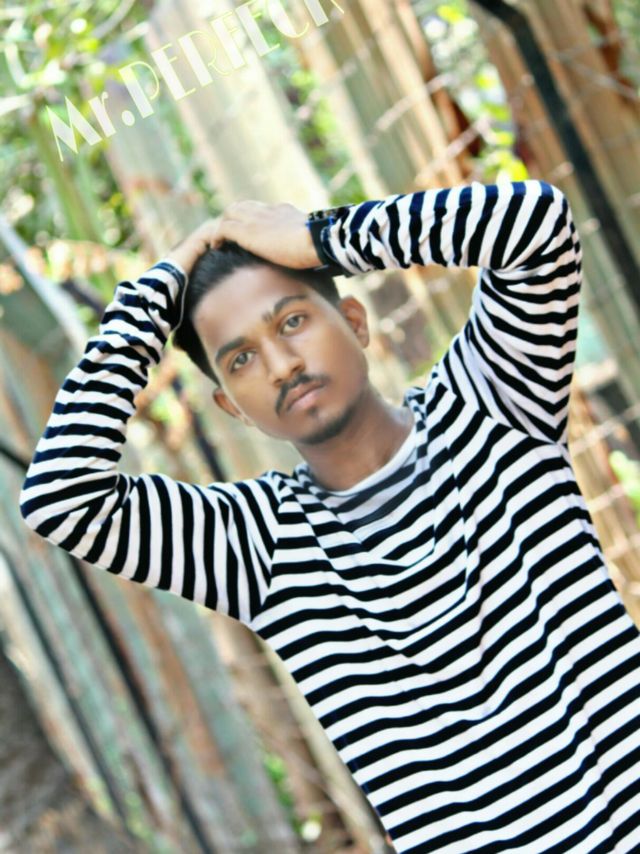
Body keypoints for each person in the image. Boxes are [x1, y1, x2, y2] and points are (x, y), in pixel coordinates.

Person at [19, 179, 640, 853]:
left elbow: (537, 222)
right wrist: (155, 293)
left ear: (354, 321)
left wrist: (319, 238)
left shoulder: (491, 407)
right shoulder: (259, 547)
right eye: (241, 359)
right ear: (232, 407)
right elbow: (59, 497)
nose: (282, 365)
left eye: (292, 322)